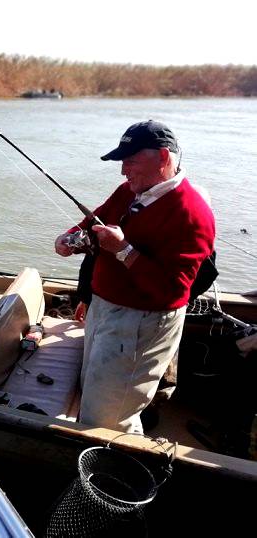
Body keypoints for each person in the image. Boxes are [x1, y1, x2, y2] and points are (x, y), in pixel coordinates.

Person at [54, 120, 215, 433]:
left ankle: (112, 470)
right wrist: (71, 237)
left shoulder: (192, 214)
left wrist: (124, 249)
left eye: (130, 161)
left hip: (140, 325)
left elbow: (172, 291)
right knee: (96, 396)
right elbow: (97, 219)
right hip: (103, 308)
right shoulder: (130, 190)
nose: (123, 171)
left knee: (107, 419)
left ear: (163, 157)